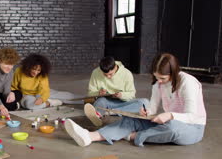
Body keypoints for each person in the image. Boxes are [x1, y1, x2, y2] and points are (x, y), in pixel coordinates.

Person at [65, 53, 206, 147]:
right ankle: (89, 136)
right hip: (168, 121)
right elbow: (153, 106)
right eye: (156, 77)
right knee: (133, 119)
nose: (159, 82)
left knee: (173, 128)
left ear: (174, 73)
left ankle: (132, 136)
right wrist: (147, 112)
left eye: (162, 78)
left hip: (192, 128)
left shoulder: (188, 83)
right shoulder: (158, 84)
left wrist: (170, 115)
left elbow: (192, 116)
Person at [84, 56, 146, 127]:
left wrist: (121, 95)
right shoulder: (95, 73)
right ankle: (98, 115)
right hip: (106, 102)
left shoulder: (127, 73)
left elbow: (132, 94)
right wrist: (98, 93)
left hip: (124, 102)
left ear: (115, 67)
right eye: (105, 75)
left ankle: (110, 111)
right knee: (100, 101)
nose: (108, 77)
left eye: (110, 74)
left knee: (144, 102)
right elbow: (90, 93)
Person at [11, 54, 80, 110]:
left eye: (38, 70)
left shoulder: (42, 74)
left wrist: (42, 99)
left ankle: (89, 98)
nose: (36, 72)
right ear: (28, 66)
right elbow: (14, 87)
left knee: (67, 96)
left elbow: (45, 90)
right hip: (26, 95)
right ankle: (50, 102)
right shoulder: (19, 71)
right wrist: (17, 97)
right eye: (34, 69)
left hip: (40, 93)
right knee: (30, 105)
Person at [0, 47, 23, 117]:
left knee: (18, 93)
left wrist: (10, 95)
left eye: (12, 64)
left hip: (0, 95)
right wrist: (1, 107)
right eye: (6, 64)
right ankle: (4, 107)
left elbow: (6, 91)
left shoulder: (10, 71)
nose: (9, 67)